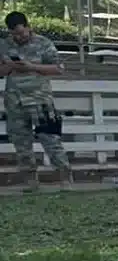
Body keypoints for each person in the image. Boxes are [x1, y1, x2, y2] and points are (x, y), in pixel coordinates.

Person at [1, 11, 70, 191]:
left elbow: (58, 68)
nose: (19, 37)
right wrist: (9, 66)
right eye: (14, 34)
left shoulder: (43, 43)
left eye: (21, 33)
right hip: (15, 101)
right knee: (21, 143)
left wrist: (32, 67)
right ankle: (31, 181)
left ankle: (64, 178)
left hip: (40, 99)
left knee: (51, 140)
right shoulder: (4, 45)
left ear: (28, 27)